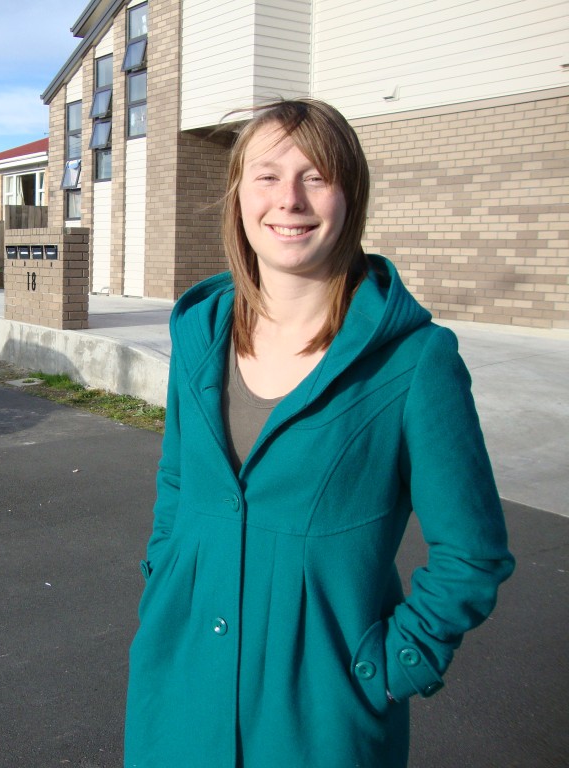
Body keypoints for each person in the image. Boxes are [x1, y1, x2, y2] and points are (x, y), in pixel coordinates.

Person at [123, 99, 514, 768]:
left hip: (318, 723)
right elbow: (179, 481)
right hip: (178, 690)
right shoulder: (198, 336)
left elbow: (472, 552)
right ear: (239, 193)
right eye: (267, 176)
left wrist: (395, 666)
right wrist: (163, 578)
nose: (290, 200)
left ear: (349, 195)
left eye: (316, 176)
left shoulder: (416, 362)